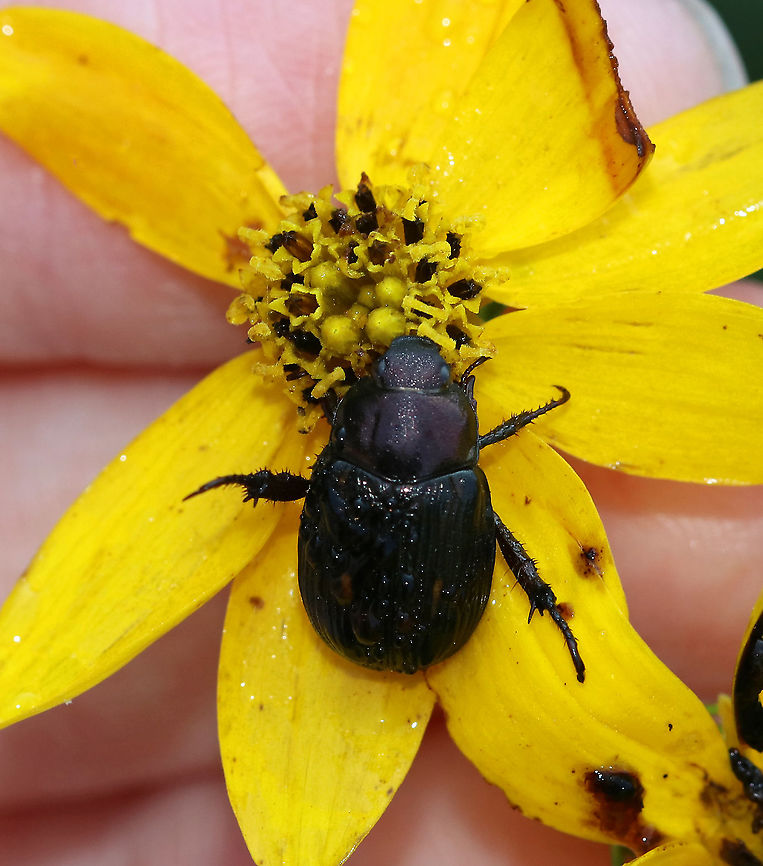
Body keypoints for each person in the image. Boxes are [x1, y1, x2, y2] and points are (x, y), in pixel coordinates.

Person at [0, 0, 760, 863]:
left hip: (391, 559)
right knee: (519, 569)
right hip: (407, 563)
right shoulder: (456, 439)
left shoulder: (363, 435)